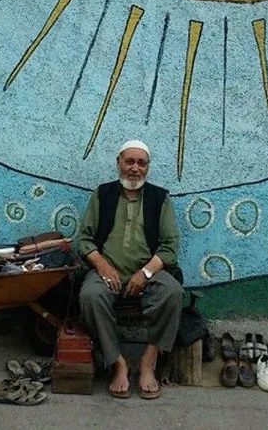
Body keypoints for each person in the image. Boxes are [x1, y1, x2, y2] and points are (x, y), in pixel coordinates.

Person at [78, 140, 183, 399]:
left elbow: (169, 246)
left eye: (141, 163)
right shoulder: (102, 194)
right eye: (130, 161)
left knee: (173, 293)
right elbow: (84, 240)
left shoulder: (160, 198)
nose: (135, 168)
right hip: (107, 272)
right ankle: (118, 363)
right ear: (119, 163)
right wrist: (102, 265)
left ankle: (148, 362)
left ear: (147, 168)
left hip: (149, 272)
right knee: (90, 296)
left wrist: (145, 273)